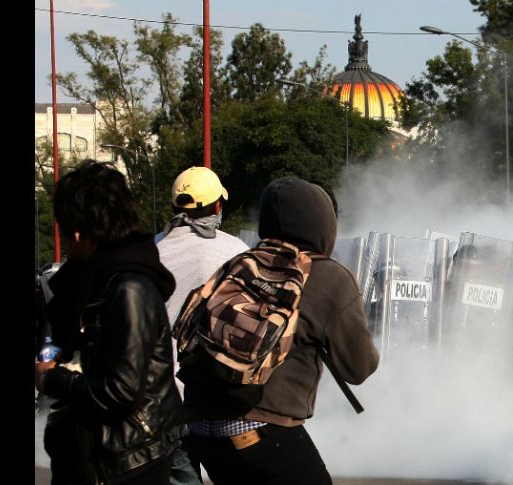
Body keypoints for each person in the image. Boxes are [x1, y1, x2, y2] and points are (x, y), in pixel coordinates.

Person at [183, 176, 380, 485]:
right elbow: (359, 368)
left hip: (201, 427)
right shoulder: (328, 275)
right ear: (323, 223)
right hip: (259, 427)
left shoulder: (238, 264)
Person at [34, 160, 186, 485]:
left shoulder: (129, 287)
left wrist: (52, 381)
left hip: (130, 457)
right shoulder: (88, 277)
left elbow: (122, 391)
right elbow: (57, 337)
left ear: (77, 232)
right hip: (95, 449)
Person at [156, 166, 249, 484]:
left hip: (161, 399)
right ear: (217, 207)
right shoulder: (235, 253)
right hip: (217, 398)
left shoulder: (151, 250)